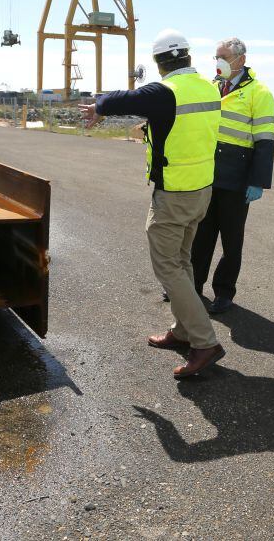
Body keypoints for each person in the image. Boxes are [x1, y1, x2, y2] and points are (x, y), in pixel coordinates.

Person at [80, 29, 225, 378]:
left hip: (174, 192)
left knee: (167, 267)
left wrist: (98, 107)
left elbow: (124, 97)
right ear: (188, 57)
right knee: (182, 260)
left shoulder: (165, 91)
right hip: (202, 188)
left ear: (160, 63)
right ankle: (183, 329)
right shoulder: (209, 87)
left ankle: (204, 342)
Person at [189, 37, 274, 314]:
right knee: (201, 236)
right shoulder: (211, 86)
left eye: (223, 57)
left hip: (237, 179)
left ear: (240, 59)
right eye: (216, 57)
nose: (218, 62)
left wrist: (258, 181)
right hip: (207, 174)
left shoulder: (259, 92)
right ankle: (191, 287)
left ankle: (224, 292)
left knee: (231, 239)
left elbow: (265, 140)